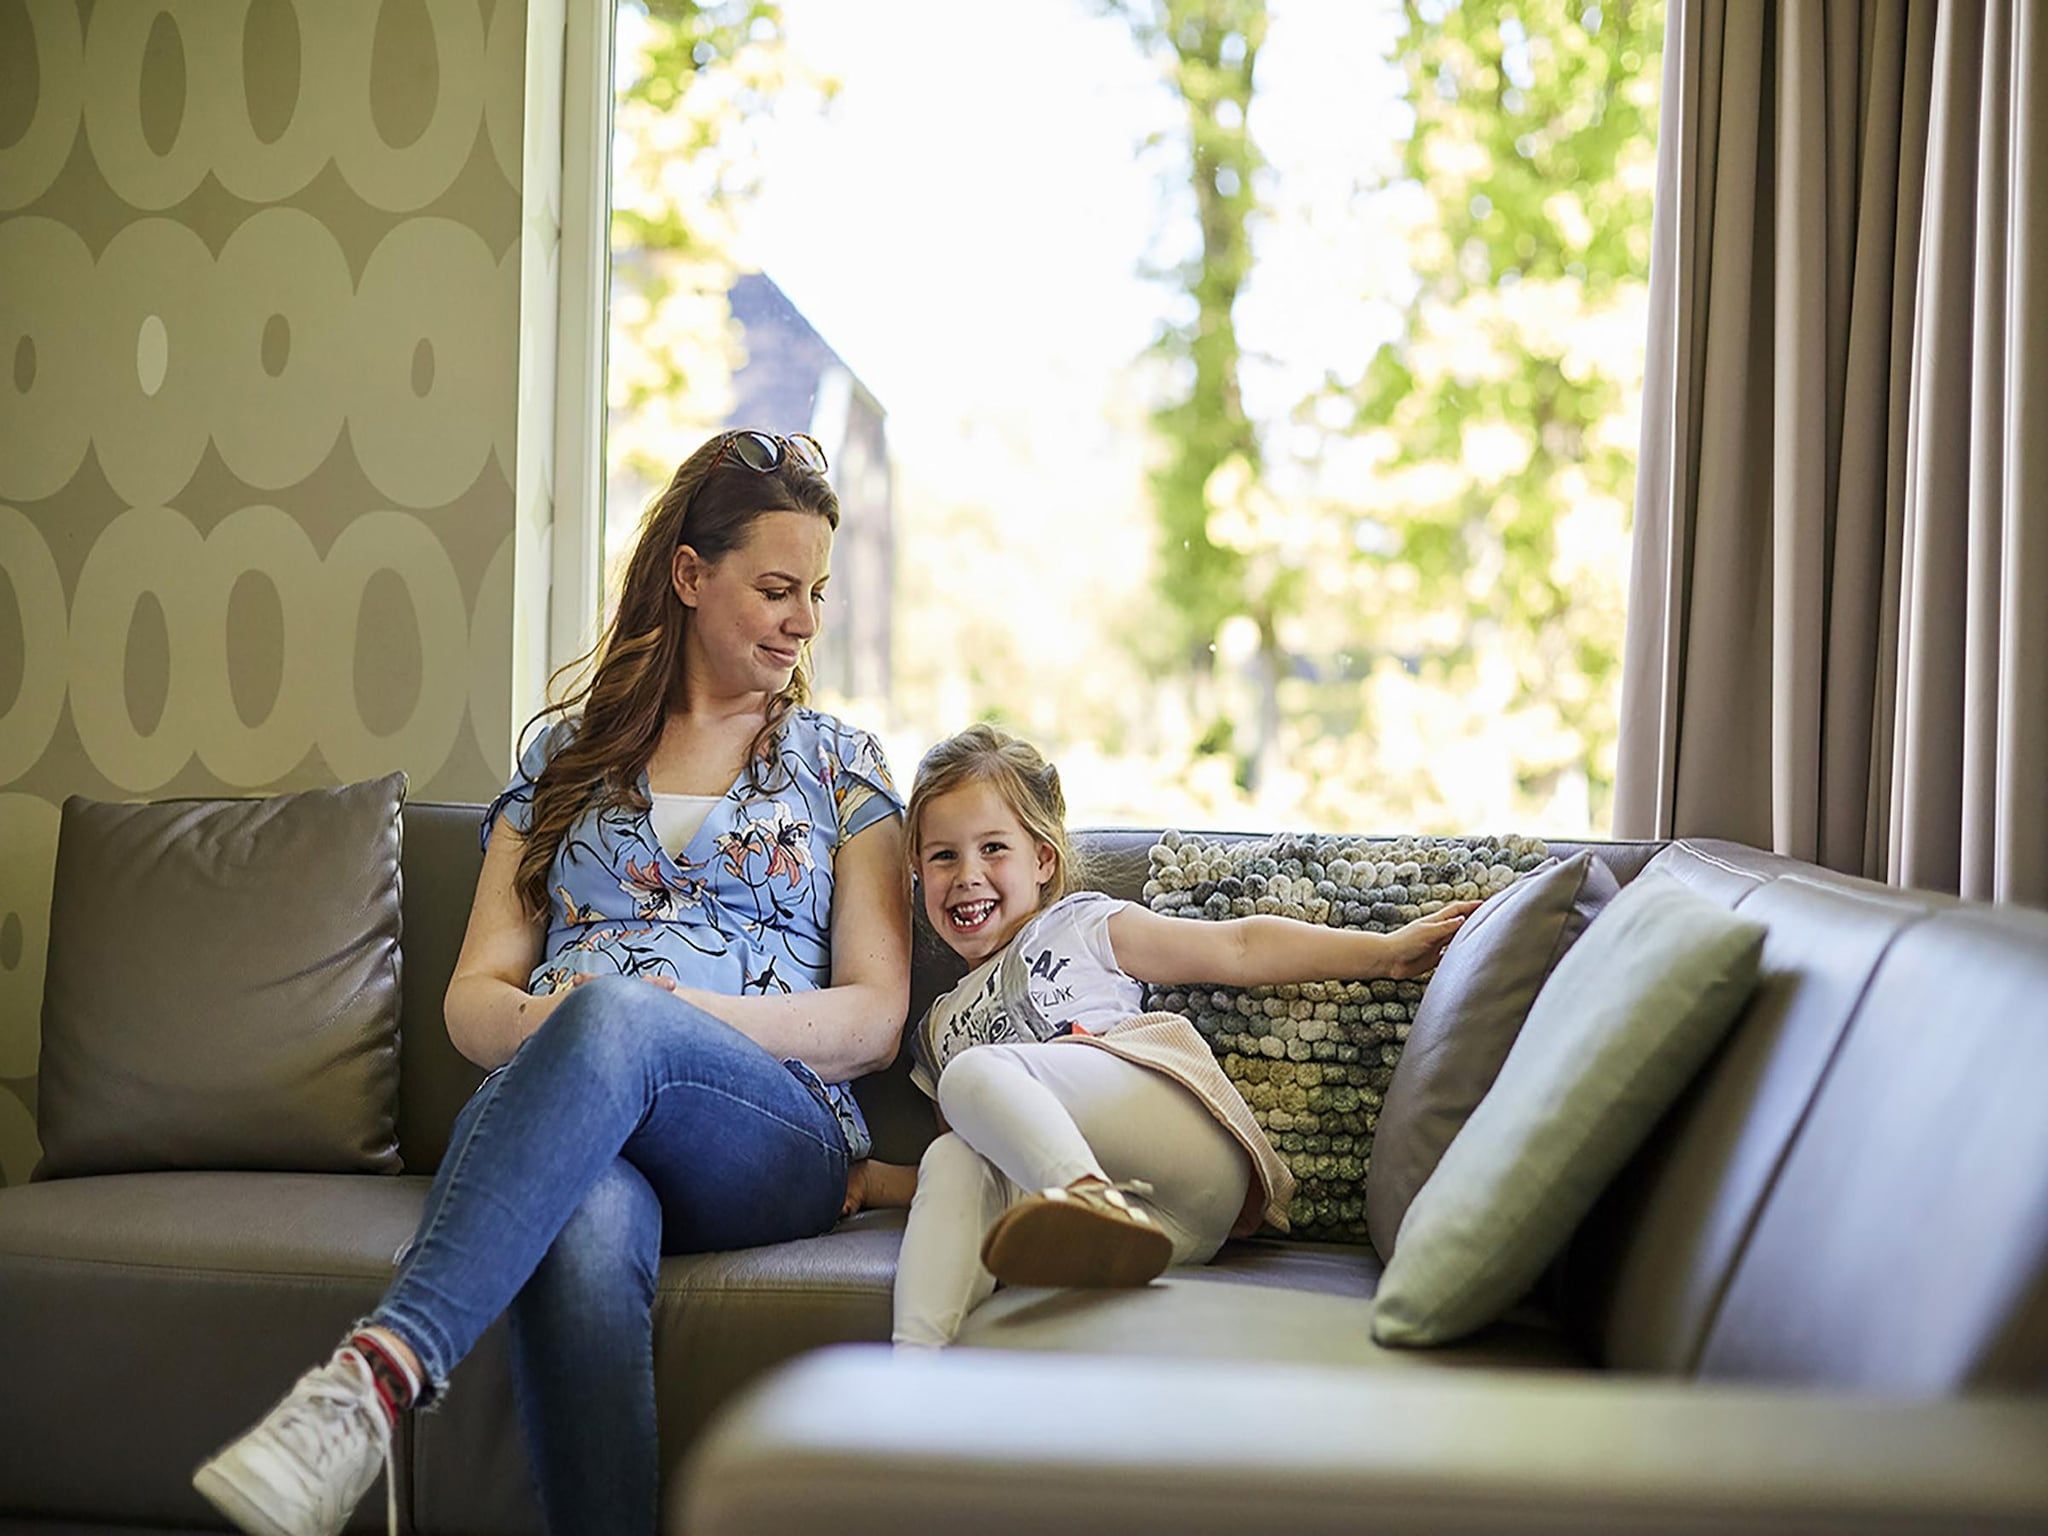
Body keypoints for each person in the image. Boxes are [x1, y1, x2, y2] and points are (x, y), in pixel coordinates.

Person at [192, 430, 910, 1536]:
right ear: (688, 574)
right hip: (567, 1109)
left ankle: (373, 1380)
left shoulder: (838, 767)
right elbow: (475, 997)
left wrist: (674, 1020)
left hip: (765, 1129)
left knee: (619, 1015)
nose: (804, 621)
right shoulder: (561, 761)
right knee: (579, 1223)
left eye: (812, 592)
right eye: (776, 589)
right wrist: (562, 1024)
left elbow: (870, 1018)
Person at [871, 724, 1477, 1348]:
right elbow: (970, 1170)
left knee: (979, 1072)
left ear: (1043, 858)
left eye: (993, 848)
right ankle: (915, 1375)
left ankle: (1085, 1201)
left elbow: (1239, 947)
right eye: (943, 856)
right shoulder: (940, 1028)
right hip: (1158, 1234)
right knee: (954, 1153)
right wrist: (864, 1182)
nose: (968, 875)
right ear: (917, 872)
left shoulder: (1079, 925)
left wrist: (1385, 954)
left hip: (1179, 1151)